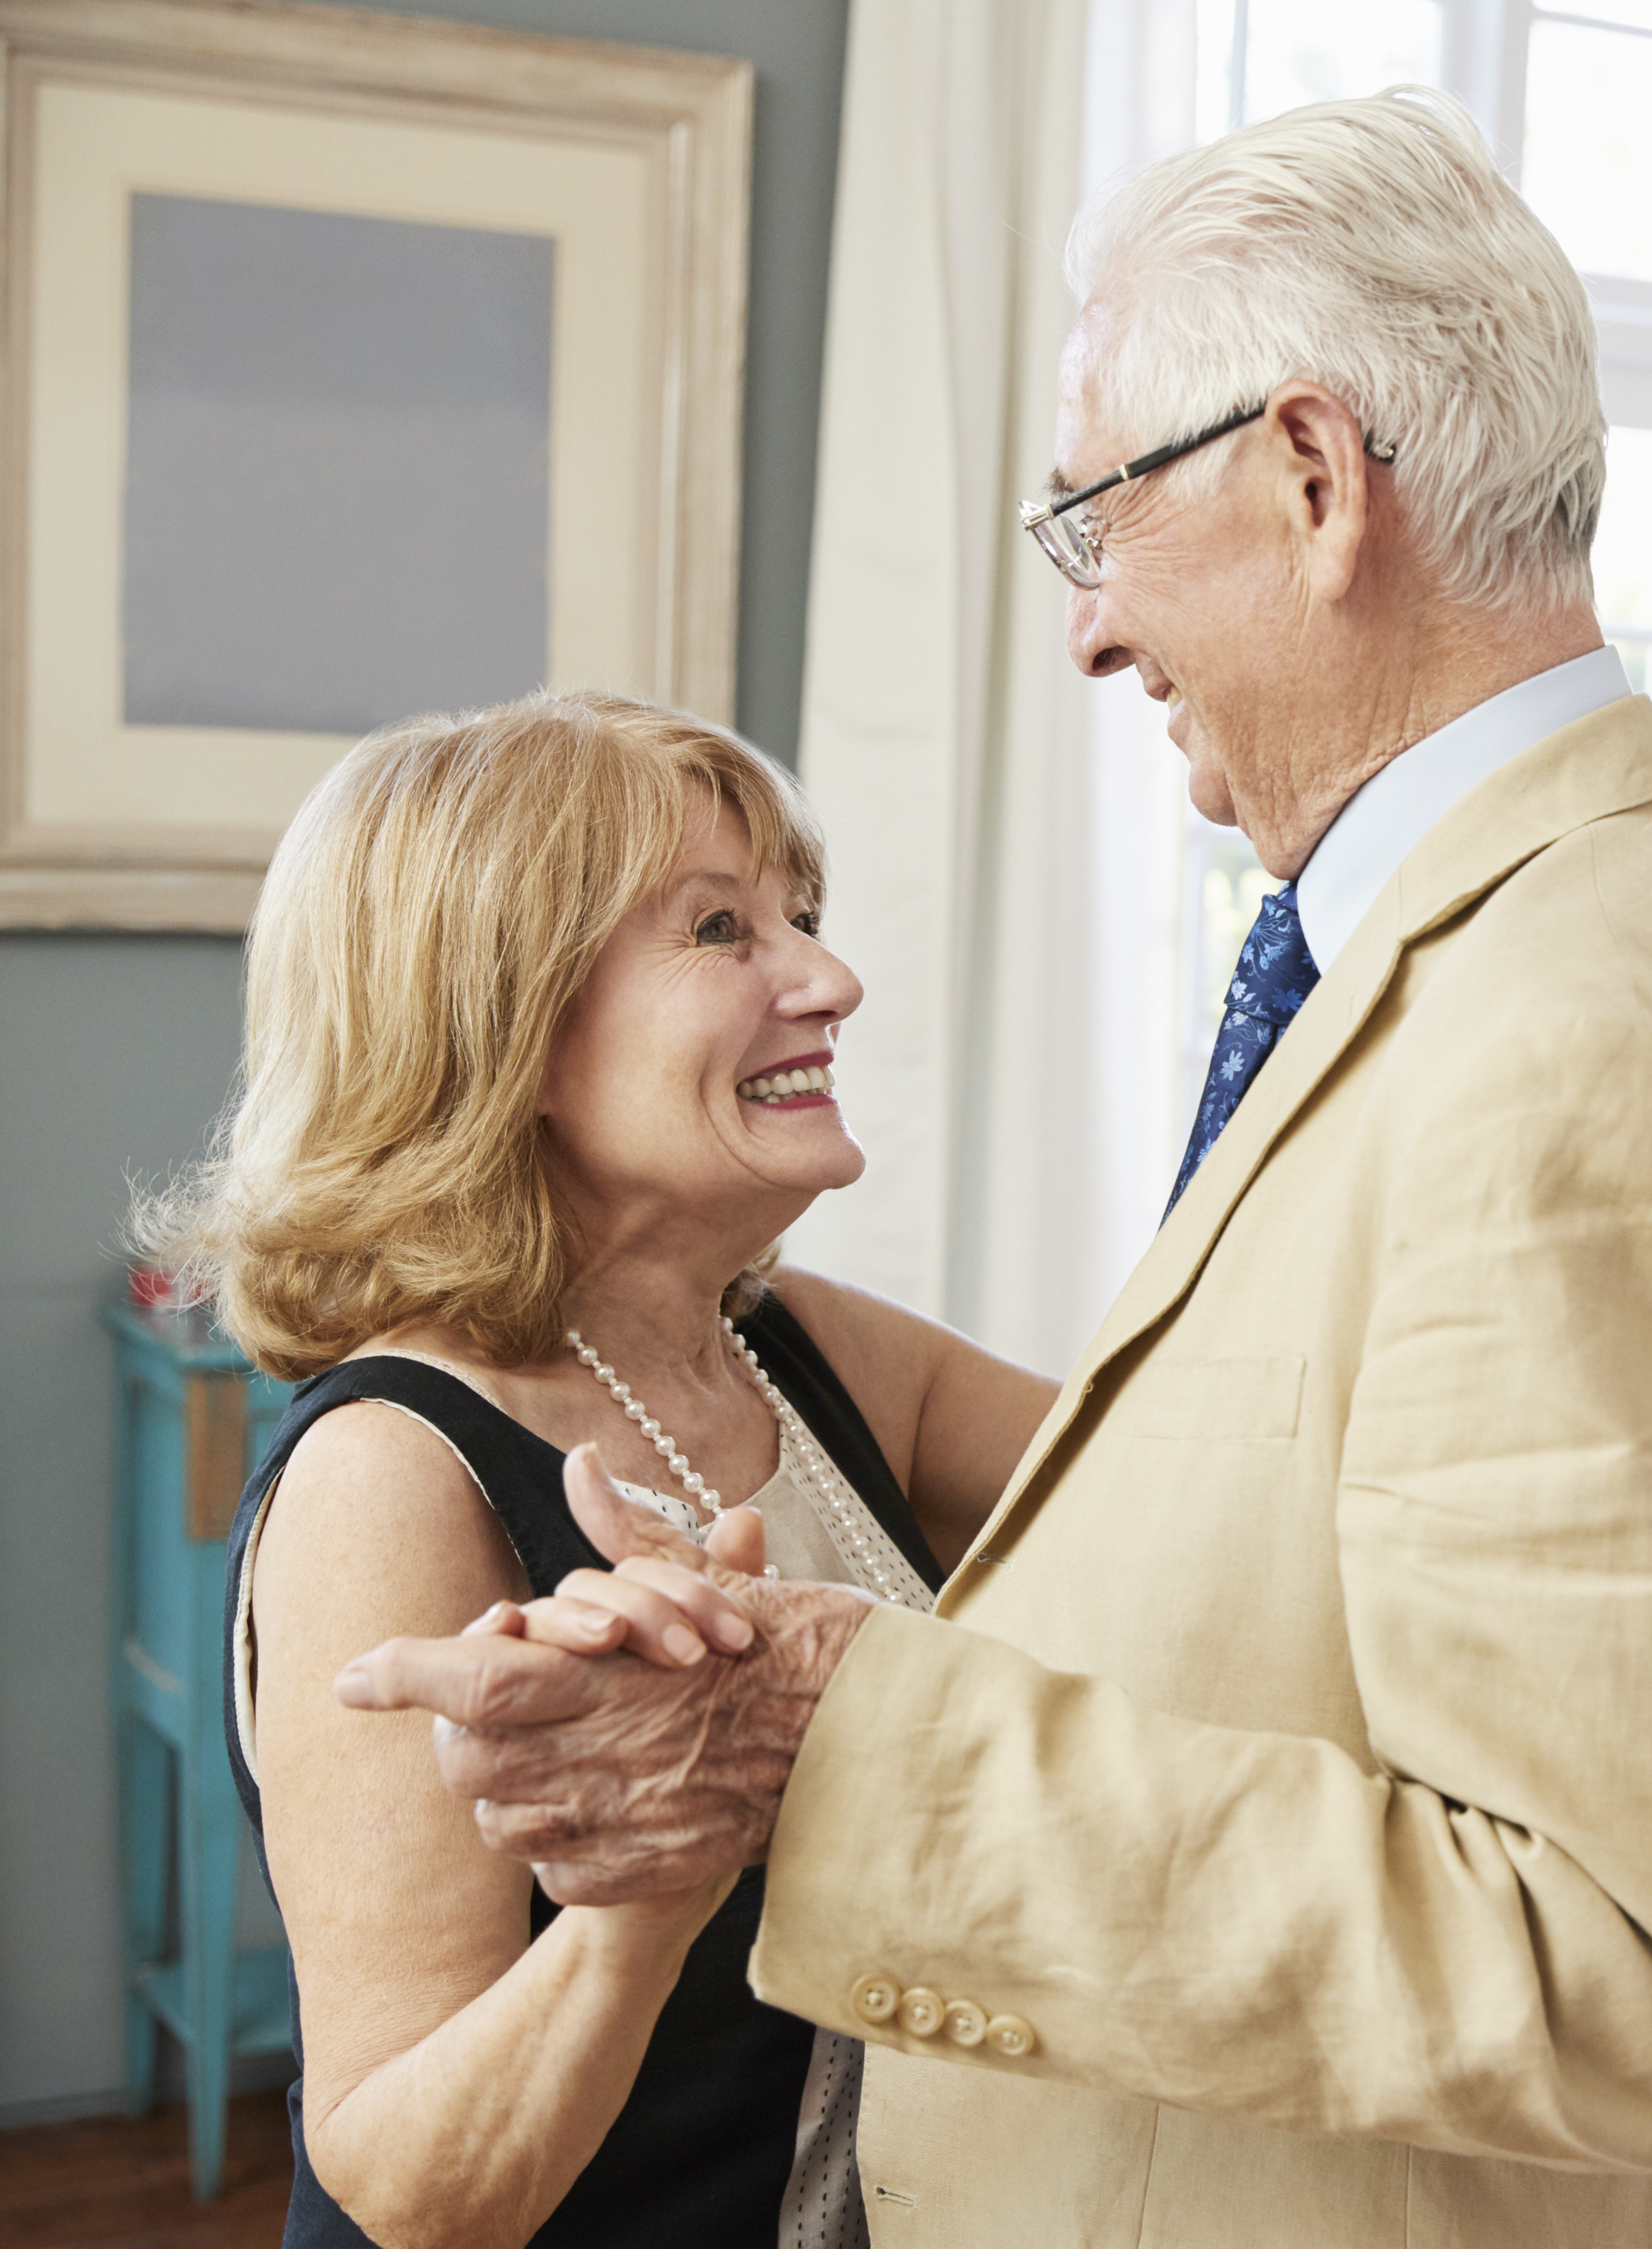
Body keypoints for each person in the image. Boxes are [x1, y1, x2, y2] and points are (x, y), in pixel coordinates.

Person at [335, 92, 1652, 2246]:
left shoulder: (1568, 1039)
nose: (1085, 630)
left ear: (1317, 479)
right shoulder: (1466, 962)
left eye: (1097, 519)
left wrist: (825, 1733)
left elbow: (1612, 1966)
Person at [140, 692, 1058, 2245]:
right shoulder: (392, 1469)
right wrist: (645, 1894)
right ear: (503, 1024)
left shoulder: (823, 1352)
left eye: (806, 918)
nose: (829, 979)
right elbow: (417, 2184)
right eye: (721, 929)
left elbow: (1198, 1509)